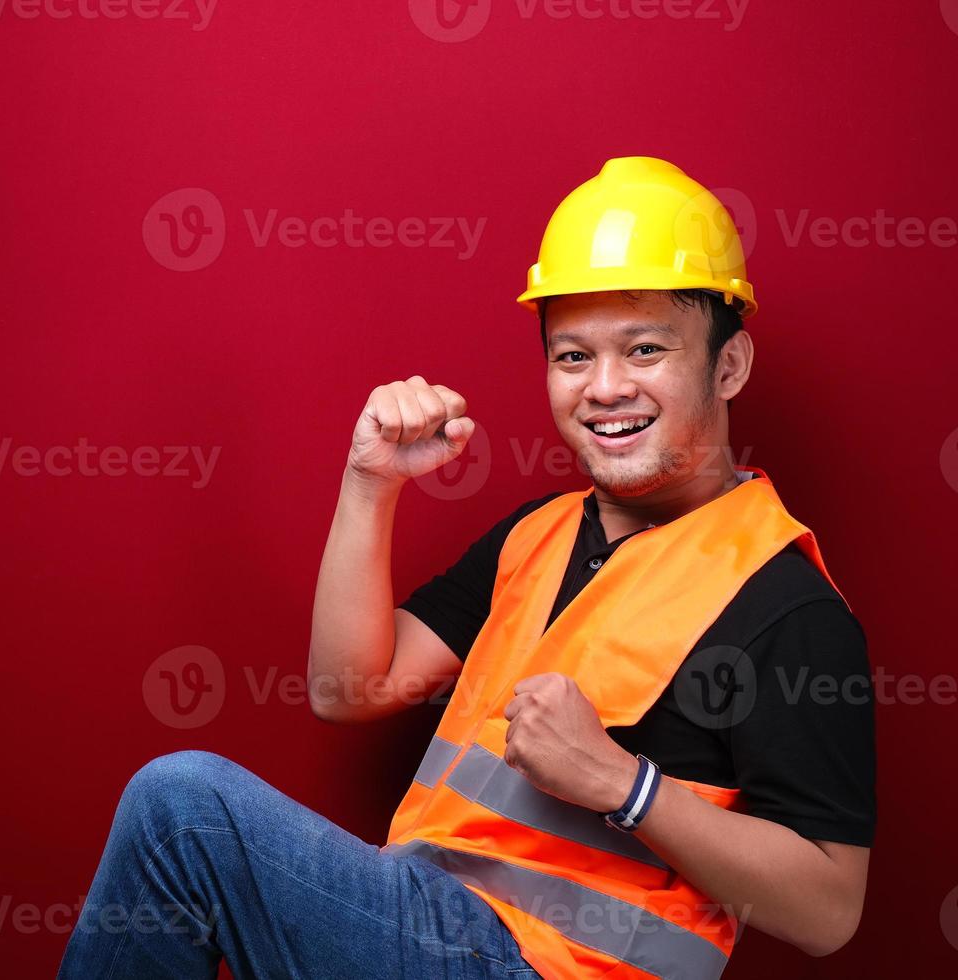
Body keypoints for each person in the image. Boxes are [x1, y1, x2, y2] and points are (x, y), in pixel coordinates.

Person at [55, 156, 874, 979]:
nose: (607, 387)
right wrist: (369, 482)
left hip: (545, 968)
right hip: (423, 916)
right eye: (572, 356)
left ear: (728, 366)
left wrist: (624, 785)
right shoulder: (538, 535)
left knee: (183, 810)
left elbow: (828, 911)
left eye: (647, 348)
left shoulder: (784, 603)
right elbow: (348, 690)